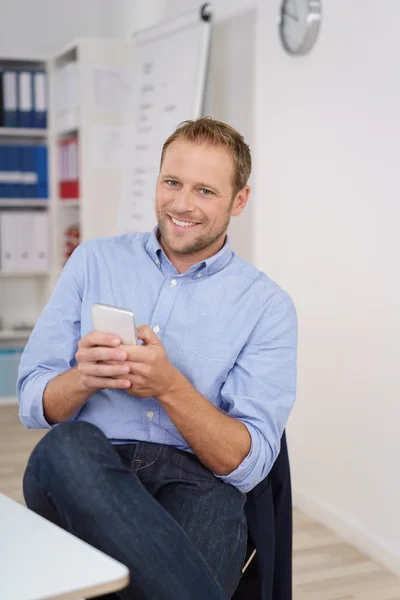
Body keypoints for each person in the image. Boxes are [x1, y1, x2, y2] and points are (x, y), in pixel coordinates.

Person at [18, 117, 298, 600]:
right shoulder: (94, 261)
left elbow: (249, 465)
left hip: (197, 484)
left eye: (205, 191)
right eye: (172, 182)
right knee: (67, 446)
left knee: (215, 509)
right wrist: (83, 379)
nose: (182, 204)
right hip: (87, 466)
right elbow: (31, 401)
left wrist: (170, 387)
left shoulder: (268, 307)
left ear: (239, 201)